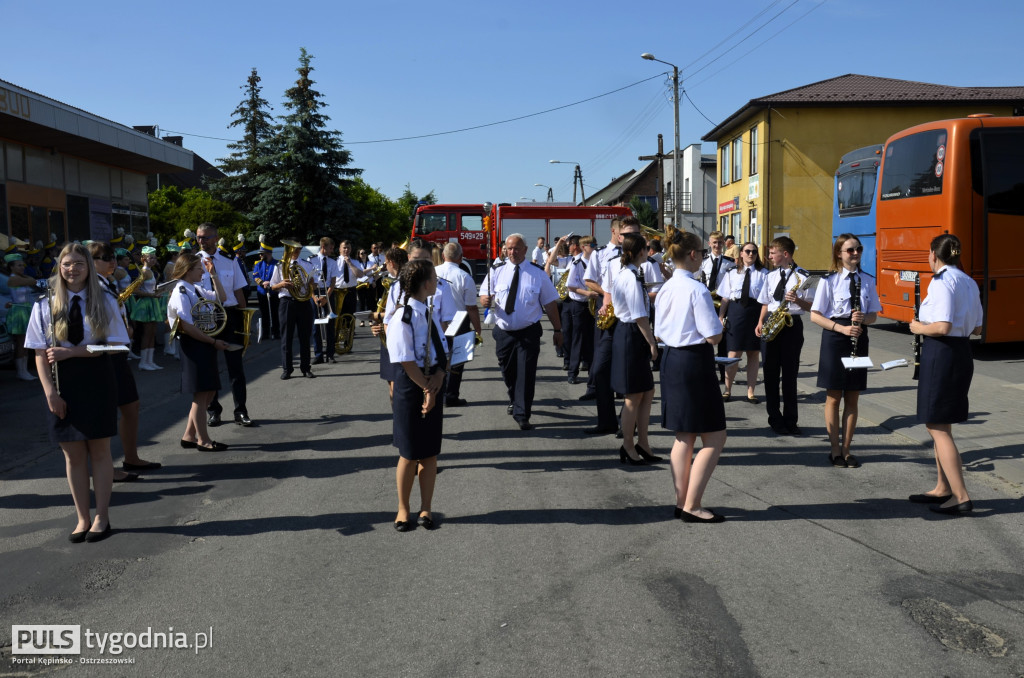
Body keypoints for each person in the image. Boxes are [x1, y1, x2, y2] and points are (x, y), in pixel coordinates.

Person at [25, 243, 129, 542]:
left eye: (79, 264)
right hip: (61, 384)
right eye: (67, 263)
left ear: (89, 267)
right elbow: (38, 352)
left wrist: (76, 353)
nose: (73, 269)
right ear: (59, 266)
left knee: (99, 452)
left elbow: (118, 344)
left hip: (96, 379)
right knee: (72, 456)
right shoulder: (43, 304)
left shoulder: (105, 300)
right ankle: (82, 518)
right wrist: (50, 395)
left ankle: (102, 517)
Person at [655, 230, 728, 523]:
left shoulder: (665, 288)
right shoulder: (696, 289)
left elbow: (659, 330)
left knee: (684, 435)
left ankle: (681, 501)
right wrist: (720, 323)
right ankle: (693, 504)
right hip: (693, 362)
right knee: (714, 437)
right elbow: (712, 335)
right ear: (694, 255)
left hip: (671, 359)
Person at [909, 234, 984, 515]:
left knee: (936, 427)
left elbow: (941, 326)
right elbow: (977, 328)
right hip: (962, 352)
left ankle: (961, 496)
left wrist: (917, 328)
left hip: (941, 353)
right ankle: (942, 487)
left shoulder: (941, 281)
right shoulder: (968, 281)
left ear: (933, 255)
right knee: (944, 424)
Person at [90, 241, 162, 476]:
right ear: (92, 262)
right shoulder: (90, 287)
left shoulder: (107, 282)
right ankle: (105, 468)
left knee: (131, 406)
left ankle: (131, 458)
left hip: (117, 351)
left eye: (112, 257)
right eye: (104, 257)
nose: (111, 261)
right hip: (103, 353)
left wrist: (125, 326)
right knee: (106, 412)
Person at [387, 259, 449, 532]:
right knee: (410, 453)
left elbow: (442, 349)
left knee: (430, 453)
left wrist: (439, 377)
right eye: (435, 277)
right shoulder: (404, 316)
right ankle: (403, 508)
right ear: (426, 284)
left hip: (431, 382)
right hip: (411, 387)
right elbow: (405, 360)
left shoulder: (430, 311)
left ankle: (426, 507)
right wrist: (426, 388)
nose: (437, 282)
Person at [810, 234, 881, 468]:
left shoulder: (868, 280)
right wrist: (841, 328)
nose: (855, 253)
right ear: (839, 253)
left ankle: (847, 449)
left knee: (853, 395)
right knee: (833, 397)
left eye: (858, 249)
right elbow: (815, 315)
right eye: (850, 250)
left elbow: (874, 314)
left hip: (858, 338)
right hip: (835, 337)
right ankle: (834, 449)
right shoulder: (829, 281)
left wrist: (864, 319)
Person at [480, 233, 563, 431]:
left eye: (516, 248)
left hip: (528, 332)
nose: (512, 252)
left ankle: (522, 413)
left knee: (526, 373)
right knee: (508, 371)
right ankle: (514, 398)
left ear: (525, 250)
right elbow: (484, 292)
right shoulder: (496, 270)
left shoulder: (538, 274)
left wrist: (558, 330)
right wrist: (484, 299)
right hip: (504, 332)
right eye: (509, 249)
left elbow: (550, 304)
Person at [166, 253, 231, 453]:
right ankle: (203, 440)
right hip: (195, 345)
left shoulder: (196, 289)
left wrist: (214, 276)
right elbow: (187, 327)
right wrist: (213, 341)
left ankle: (189, 435)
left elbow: (222, 298)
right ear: (187, 270)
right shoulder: (181, 291)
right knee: (201, 395)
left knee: (209, 391)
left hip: (204, 343)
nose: (202, 271)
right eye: (198, 268)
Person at [582, 216, 640, 433]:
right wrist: (606, 303)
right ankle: (606, 421)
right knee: (599, 370)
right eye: (625, 234)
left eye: (634, 235)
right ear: (617, 234)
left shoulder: (647, 261)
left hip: (632, 323)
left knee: (628, 375)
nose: (628, 238)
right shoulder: (606, 257)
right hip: (610, 321)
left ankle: (628, 423)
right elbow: (599, 285)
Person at [756, 236, 815, 436]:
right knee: (771, 374)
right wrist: (760, 322)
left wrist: (798, 299)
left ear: (786, 254)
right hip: (772, 321)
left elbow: (813, 307)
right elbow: (765, 302)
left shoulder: (804, 276)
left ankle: (791, 420)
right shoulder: (770, 276)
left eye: (773, 253)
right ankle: (775, 419)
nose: (770, 256)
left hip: (791, 324)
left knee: (790, 376)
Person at [610, 233, 660, 465]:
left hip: (633, 332)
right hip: (632, 334)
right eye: (646, 248)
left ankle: (643, 443)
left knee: (647, 392)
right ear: (641, 251)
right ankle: (628, 446)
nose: (649, 251)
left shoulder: (631, 273)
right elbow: (639, 315)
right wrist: (651, 342)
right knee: (634, 395)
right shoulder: (629, 277)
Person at [196, 223, 251, 427]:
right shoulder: (193, 262)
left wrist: (245, 323)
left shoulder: (230, 261)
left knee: (235, 366)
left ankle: (241, 410)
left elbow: (239, 292)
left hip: (230, 315)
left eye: (206, 237)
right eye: (199, 237)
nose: (202, 241)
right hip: (206, 316)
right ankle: (213, 411)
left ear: (215, 237)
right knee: (209, 366)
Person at [717, 242, 768, 403]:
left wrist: (762, 321)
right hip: (736, 312)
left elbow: (766, 300)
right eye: (747, 251)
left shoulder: (764, 273)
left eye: (754, 252)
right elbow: (725, 297)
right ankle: (727, 390)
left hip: (755, 313)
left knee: (753, 353)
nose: (751, 254)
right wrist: (720, 317)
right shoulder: (732, 272)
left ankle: (751, 392)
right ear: (741, 254)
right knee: (733, 353)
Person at [435, 242, 482, 407]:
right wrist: (478, 329)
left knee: (437, 358)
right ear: (461, 258)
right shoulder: (465, 276)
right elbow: (471, 307)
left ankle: (437, 393)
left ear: (442, 256)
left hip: (436, 321)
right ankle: (451, 396)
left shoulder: (432, 272)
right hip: (459, 321)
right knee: (457, 361)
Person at [271, 243, 317, 380]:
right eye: (293, 249)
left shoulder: (307, 265)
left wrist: (310, 285)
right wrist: (282, 284)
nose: (295, 251)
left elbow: (314, 283)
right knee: (286, 337)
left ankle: (306, 368)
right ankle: (287, 369)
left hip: (303, 302)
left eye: (298, 249)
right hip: (287, 302)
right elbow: (273, 286)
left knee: (305, 337)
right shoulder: (280, 266)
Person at [372, 246, 410, 399]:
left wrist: (374, 316)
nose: (385, 266)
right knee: (393, 385)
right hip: (390, 335)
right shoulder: (393, 284)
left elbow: (396, 315)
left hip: (396, 340)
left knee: (396, 387)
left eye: (386, 262)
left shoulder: (400, 284)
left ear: (392, 263)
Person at [128, 246, 164, 371]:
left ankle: (150, 361)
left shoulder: (151, 271)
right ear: (143, 258)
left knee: (152, 333)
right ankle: (143, 362)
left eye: (155, 257)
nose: (153, 260)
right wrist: (152, 294)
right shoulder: (143, 272)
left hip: (152, 301)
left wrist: (157, 292)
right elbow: (136, 290)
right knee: (147, 334)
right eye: (151, 257)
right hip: (146, 303)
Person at [4, 253, 38, 381]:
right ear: (11, 267)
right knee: (21, 342)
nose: (22, 267)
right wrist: (28, 278)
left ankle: (24, 370)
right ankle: (21, 371)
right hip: (19, 312)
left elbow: (30, 280)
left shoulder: (19, 277)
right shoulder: (13, 278)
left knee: (25, 342)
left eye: (22, 264)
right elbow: (32, 280)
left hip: (25, 310)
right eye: (18, 265)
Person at [310, 237, 341, 364]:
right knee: (315, 326)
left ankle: (330, 354)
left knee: (330, 325)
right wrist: (314, 297)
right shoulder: (311, 261)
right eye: (330, 248)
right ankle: (318, 354)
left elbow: (333, 283)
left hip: (327, 293)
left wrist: (325, 297)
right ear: (323, 247)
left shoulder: (332, 262)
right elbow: (310, 282)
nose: (332, 250)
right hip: (315, 293)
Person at [251, 236, 280, 342]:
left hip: (274, 292)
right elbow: (255, 276)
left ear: (268, 253)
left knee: (275, 313)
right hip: (262, 292)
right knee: (264, 313)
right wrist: (263, 283)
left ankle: (276, 332)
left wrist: (271, 283)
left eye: (261, 253)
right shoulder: (258, 264)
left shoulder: (277, 264)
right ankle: (265, 333)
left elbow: (279, 276)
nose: (260, 255)